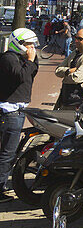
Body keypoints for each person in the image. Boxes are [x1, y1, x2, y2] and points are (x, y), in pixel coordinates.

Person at [0, 28, 39, 200]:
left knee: (9, 151)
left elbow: (31, 74)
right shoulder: (9, 59)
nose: (31, 48)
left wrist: (32, 60)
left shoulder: (22, 59)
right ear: (19, 44)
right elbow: (21, 77)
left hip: (18, 110)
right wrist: (30, 60)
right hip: (10, 111)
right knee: (7, 152)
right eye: (28, 44)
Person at [55, 27, 83, 106]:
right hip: (67, 98)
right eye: (75, 37)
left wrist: (65, 74)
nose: (76, 41)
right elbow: (57, 71)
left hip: (82, 101)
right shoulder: (75, 52)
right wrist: (69, 71)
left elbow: (76, 78)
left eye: (80, 39)